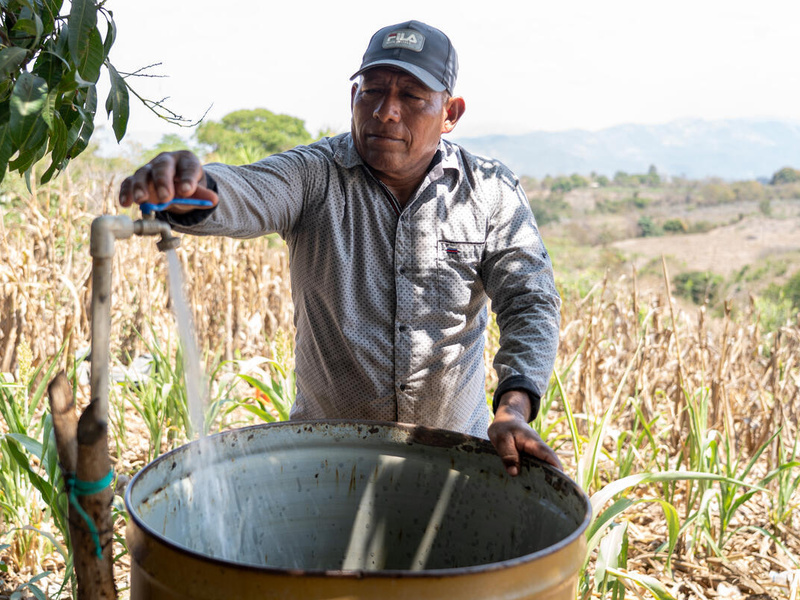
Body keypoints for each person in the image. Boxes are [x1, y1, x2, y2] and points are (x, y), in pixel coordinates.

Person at [119, 20, 563, 475]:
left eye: (411, 97)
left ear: (450, 113)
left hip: (452, 462)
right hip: (328, 465)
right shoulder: (315, 175)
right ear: (354, 97)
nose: (386, 111)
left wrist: (513, 408)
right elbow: (247, 190)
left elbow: (530, 301)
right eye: (371, 91)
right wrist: (195, 189)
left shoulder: (488, 192)